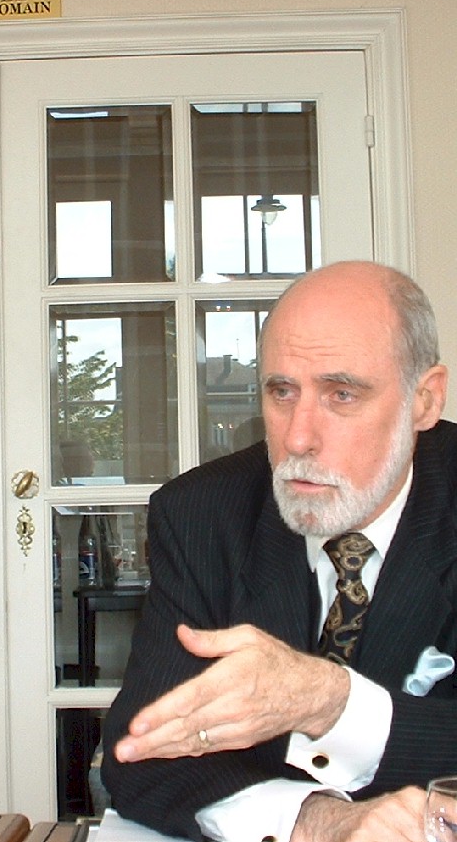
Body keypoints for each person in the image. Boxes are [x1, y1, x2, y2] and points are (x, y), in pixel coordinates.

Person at [102, 261, 455, 842]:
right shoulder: (202, 514)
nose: (297, 438)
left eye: (342, 394)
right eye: (281, 391)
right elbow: (141, 753)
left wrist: (332, 703)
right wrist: (318, 822)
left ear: (424, 399)